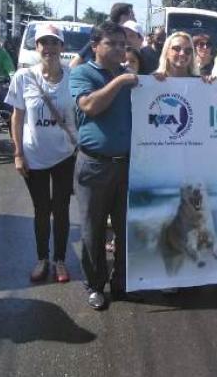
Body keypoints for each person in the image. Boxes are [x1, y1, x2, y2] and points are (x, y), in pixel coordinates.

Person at [69, 21, 138, 310]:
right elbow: (89, 106)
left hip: (126, 166)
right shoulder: (83, 72)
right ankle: (95, 285)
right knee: (92, 230)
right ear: (95, 46)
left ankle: (121, 281)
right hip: (94, 166)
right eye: (113, 43)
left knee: (125, 228)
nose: (120, 49)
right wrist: (120, 81)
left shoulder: (129, 75)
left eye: (123, 44)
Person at [5, 24, 77, 283]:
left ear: (62, 47)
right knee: (41, 209)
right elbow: (17, 117)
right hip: (33, 156)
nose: (49, 48)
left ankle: (59, 260)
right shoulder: (23, 78)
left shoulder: (72, 77)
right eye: (44, 43)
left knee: (61, 209)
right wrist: (18, 153)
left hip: (65, 155)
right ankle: (41, 259)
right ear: (36, 47)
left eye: (54, 43)